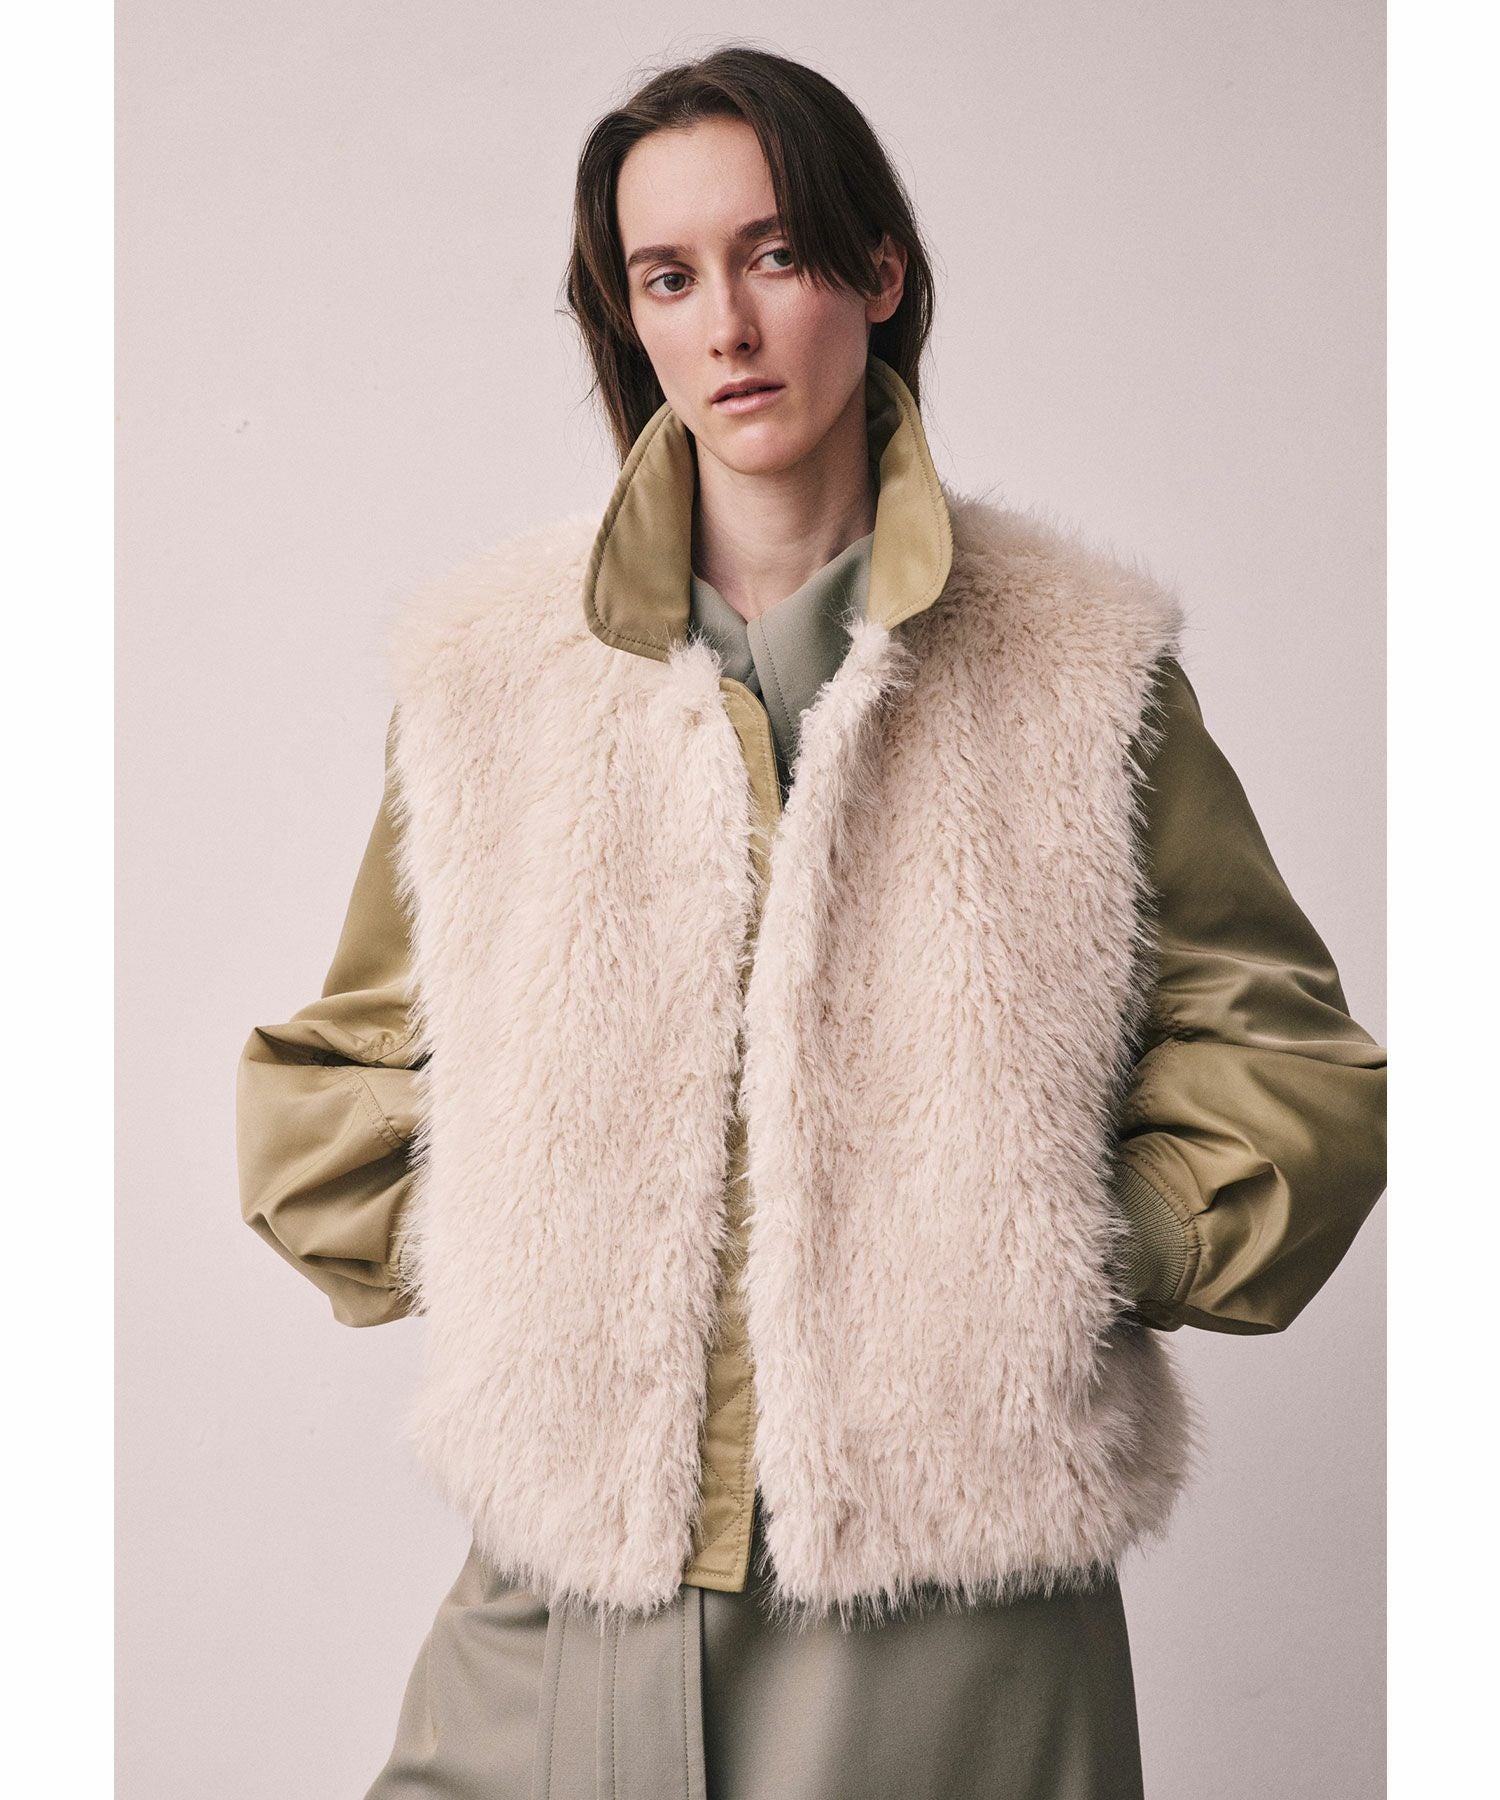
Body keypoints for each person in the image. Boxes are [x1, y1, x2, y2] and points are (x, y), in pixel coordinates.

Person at [235, 44, 1387, 1800]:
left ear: (878, 270)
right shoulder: (489, 676)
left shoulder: (1080, 670)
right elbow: (339, 1085)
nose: (728, 326)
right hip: (569, 1616)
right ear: (628, 319)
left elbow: (1294, 1075)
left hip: (943, 1638)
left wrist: (1050, 1258)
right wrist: (530, 1264)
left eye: (773, 254)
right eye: (667, 277)